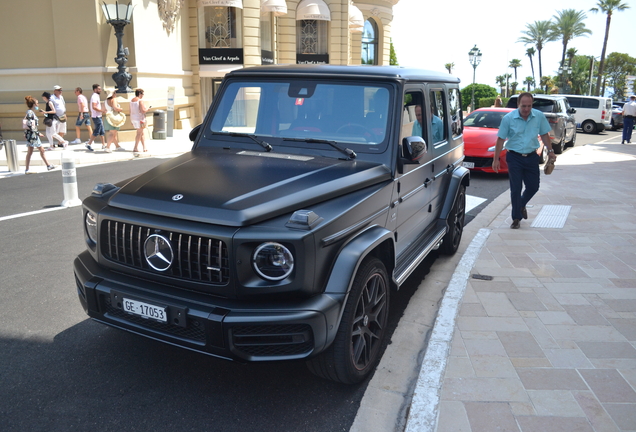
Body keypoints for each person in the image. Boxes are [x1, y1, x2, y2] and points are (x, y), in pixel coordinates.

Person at [492, 92, 556, 229]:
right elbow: (500, 139)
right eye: (523, 106)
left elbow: (544, 134)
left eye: (529, 106)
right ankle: (516, 218)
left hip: (532, 157)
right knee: (516, 188)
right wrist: (495, 159)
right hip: (514, 157)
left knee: (533, 186)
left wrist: (550, 151)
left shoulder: (538, 116)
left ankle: (521, 204)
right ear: (518, 105)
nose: (526, 109)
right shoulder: (509, 118)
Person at [23, 96, 55, 173]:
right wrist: (38, 133)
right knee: (40, 150)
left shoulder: (29, 112)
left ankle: (28, 169)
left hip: (31, 135)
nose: (38, 105)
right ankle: (48, 165)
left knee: (32, 152)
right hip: (33, 135)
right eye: (37, 103)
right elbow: (30, 125)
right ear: (33, 104)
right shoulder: (30, 113)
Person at [85, 84, 105, 151]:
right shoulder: (94, 96)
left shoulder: (97, 96)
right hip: (96, 116)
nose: (100, 90)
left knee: (102, 131)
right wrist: (102, 110)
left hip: (98, 115)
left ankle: (103, 145)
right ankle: (89, 144)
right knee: (97, 131)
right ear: (95, 89)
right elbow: (94, 107)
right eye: (99, 89)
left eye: (100, 89)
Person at [130, 88, 149, 155]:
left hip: (133, 118)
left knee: (141, 133)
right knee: (139, 133)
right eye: (143, 94)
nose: (143, 95)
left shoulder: (132, 100)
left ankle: (144, 147)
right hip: (139, 119)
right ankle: (135, 147)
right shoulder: (140, 101)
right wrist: (148, 109)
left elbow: (130, 110)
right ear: (140, 94)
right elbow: (142, 110)